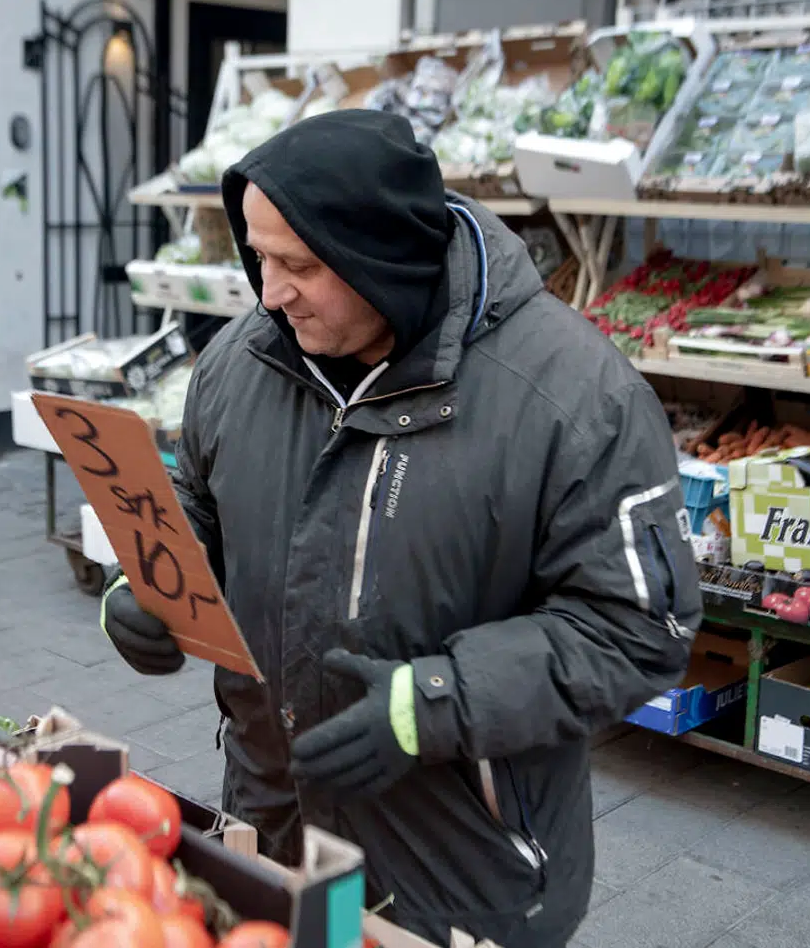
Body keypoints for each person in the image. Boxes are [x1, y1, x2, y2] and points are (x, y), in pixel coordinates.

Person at [99, 109, 701, 948]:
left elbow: (638, 629)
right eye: (259, 256)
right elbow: (198, 506)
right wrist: (146, 583)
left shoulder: (576, 398)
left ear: (379, 259)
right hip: (273, 833)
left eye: (297, 264)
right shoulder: (239, 363)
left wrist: (439, 702)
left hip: (462, 871)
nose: (268, 291)